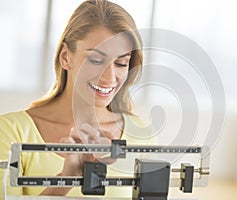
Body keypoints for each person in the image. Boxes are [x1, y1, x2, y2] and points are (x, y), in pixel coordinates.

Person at [0, 0, 154, 198]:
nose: (109, 77)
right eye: (96, 60)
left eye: (122, 63)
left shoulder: (143, 133)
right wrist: (66, 177)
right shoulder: (11, 132)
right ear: (65, 57)